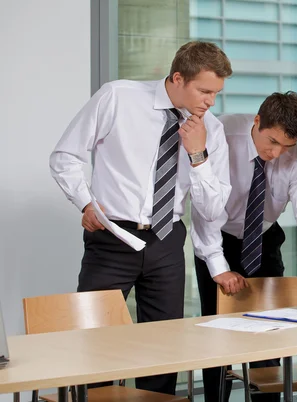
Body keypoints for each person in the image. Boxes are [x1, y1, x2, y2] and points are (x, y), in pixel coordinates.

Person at [49, 41, 233, 395]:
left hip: (167, 242)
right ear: (178, 77)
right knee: (96, 346)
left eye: (217, 93)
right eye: (205, 90)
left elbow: (212, 210)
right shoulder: (118, 97)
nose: (211, 101)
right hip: (112, 238)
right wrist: (86, 203)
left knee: (163, 349)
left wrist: (198, 154)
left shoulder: (211, 129)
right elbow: (65, 156)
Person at [192, 91, 297, 402]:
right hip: (216, 236)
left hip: (264, 237)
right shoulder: (222, 136)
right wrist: (218, 265)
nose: (276, 152)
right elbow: (202, 207)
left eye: (286, 145)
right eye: (271, 141)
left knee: (270, 327)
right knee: (216, 332)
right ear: (257, 121)